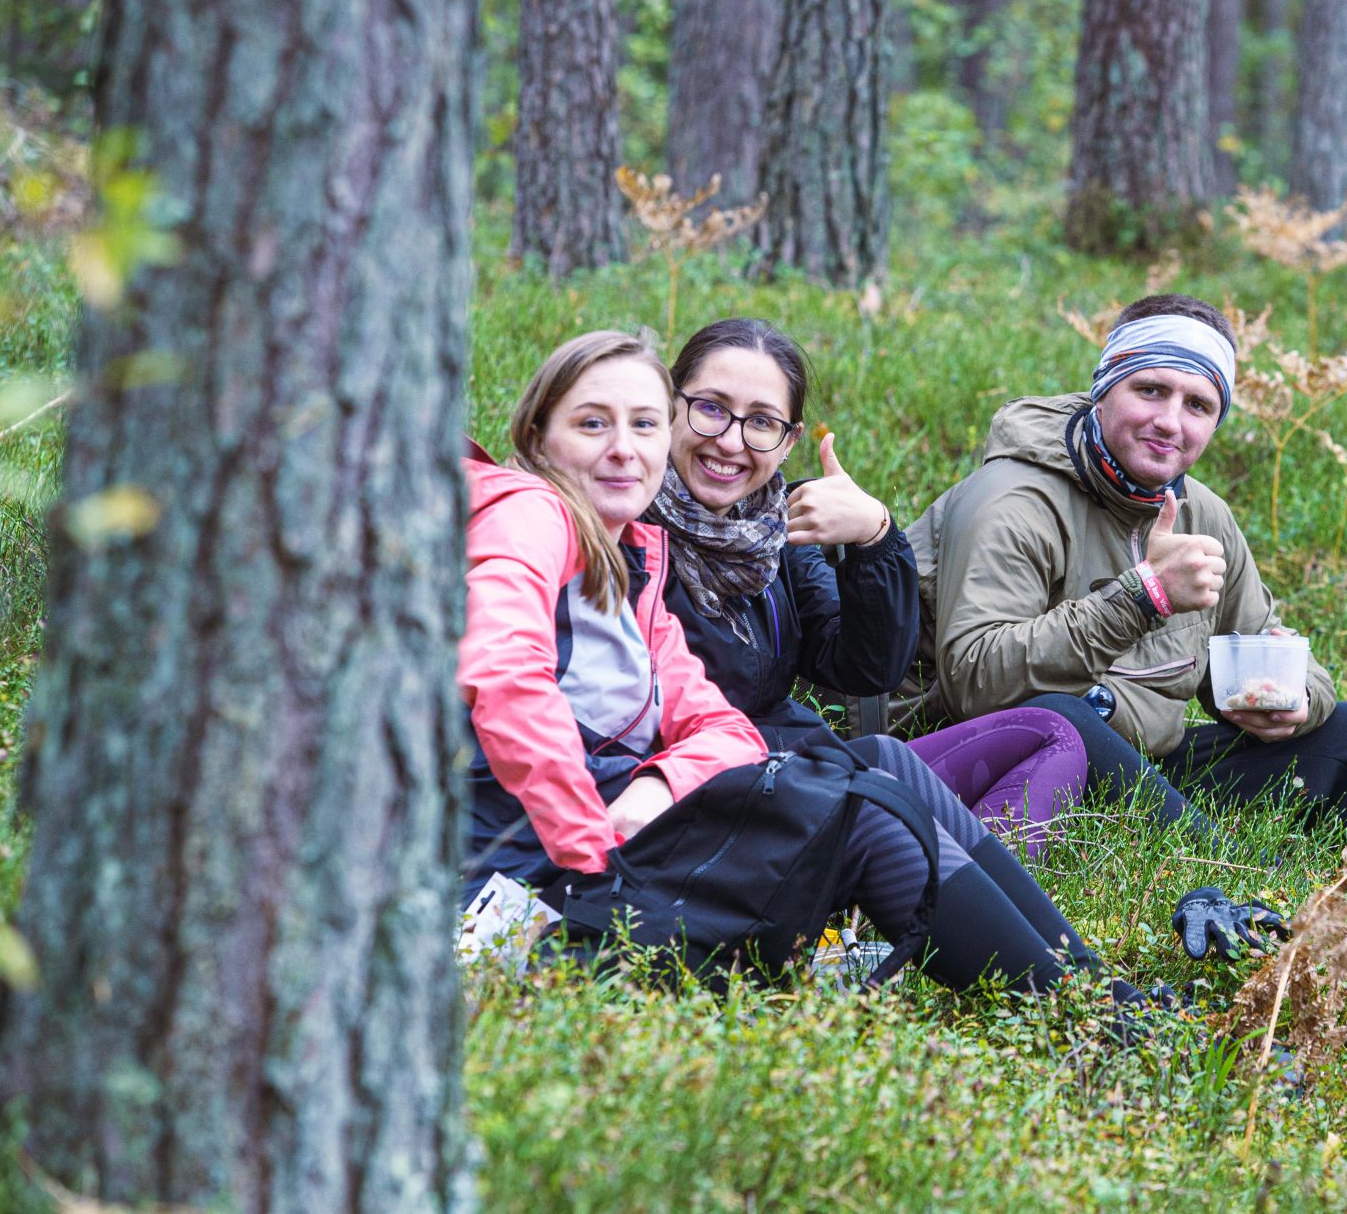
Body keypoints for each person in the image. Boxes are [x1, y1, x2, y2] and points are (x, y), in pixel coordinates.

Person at [459, 329, 1099, 993]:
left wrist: (876, 540)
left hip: (613, 857)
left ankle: (1093, 991)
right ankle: (1084, 1015)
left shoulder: (636, 563)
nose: (624, 446)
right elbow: (504, 673)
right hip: (510, 904)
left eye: (641, 424)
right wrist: (588, 842)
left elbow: (738, 721)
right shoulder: (532, 514)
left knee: (883, 775)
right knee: (859, 809)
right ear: (537, 437)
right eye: (593, 423)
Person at [900, 293, 1347, 872]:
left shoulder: (1201, 513)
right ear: (1104, 387)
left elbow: (1260, 642)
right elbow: (975, 683)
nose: (1171, 422)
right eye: (1150, 391)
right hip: (996, 761)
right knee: (1067, 714)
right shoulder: (1013, 500)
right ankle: (1229, 877)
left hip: (1140, 764)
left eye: (1198, 405)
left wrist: (1295, 700)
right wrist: (1145, 597)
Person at [644, 317, 1086, 859]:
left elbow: (861, 667)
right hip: (727, 803)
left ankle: (936, 895)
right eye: (710, 407)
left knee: (1050, 731)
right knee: (887, 775)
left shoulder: (774, 531)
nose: (731, 441)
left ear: (790, 443)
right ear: (670, 404)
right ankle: (926, 895)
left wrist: (875, 538)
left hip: (803, 776)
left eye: (762, 422)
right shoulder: (624, 528)